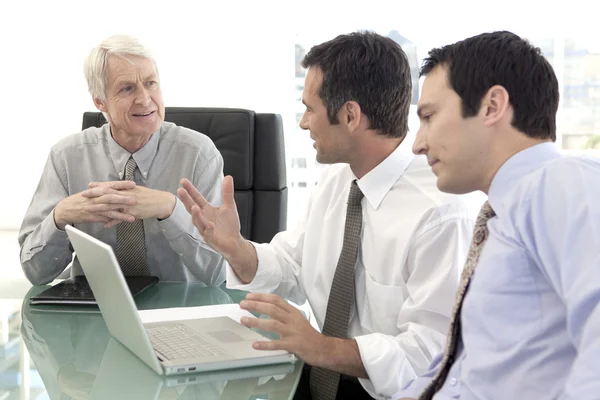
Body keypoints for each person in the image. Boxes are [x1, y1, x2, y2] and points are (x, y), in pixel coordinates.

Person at [178, 31, 485, 399]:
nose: (304, 123)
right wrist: (236, 248)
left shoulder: (439, 214)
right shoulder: (338, 180)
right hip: (316, 377)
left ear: (350, 115)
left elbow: (429, 355)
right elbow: (294, 265)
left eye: (310, 108)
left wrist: (320, 347)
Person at [394, 30, 600, 400]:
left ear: (492, 106)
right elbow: (461, 370)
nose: (418, 143)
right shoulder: (503, 216)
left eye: (429, 116)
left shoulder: (560, 184)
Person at [18, 35, 225, 286]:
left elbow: (219, 274)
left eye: (151, 83)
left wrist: (171, 210)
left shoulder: (199, 155)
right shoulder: (66, 157)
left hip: (180, 309)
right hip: (94, 314)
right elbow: (35, 274)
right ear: (99, 101)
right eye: (127, 88)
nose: (145, 99)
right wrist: (59, 218)